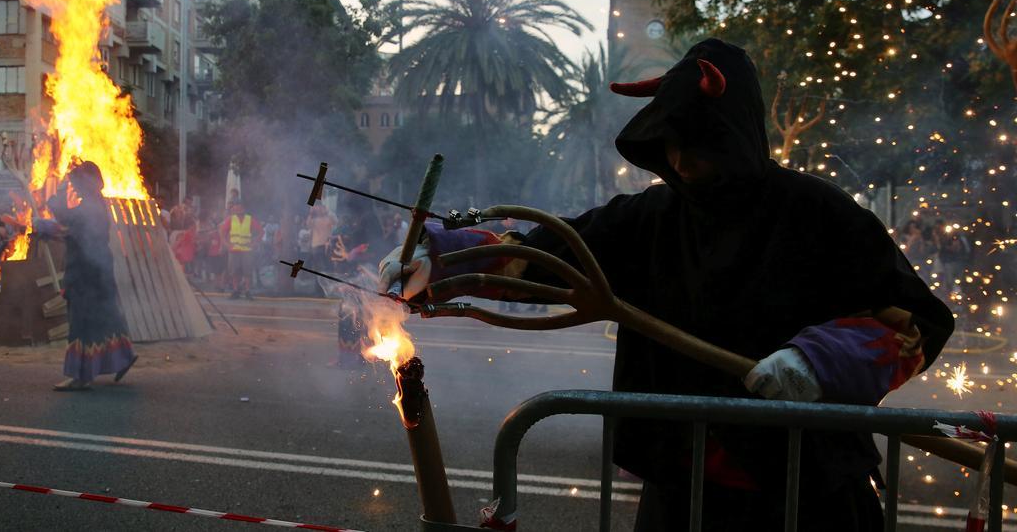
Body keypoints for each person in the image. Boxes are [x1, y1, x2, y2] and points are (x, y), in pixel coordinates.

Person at [380, 39, 954, 531]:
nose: (679, 160)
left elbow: (915, 320)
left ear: (735, 133)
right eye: (669, 142)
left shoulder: (820, 214)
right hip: (680, 486)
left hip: (807, 491)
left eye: (697, 141)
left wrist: (820, 362)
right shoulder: (650, 217)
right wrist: (441, 262)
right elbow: (549, 258)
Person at [46, 161, 137, 391]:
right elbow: (72, 229)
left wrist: (57, 193)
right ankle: (124, 357)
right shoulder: (97, 205)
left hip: (85, 274)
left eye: (76, 183)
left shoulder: (89, 208)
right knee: (106, 317)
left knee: (82, 324)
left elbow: (64, 219)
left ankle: (80, 375)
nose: (74, 188)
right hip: (100, 270)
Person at [221, 200, 262, 299]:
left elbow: (261, 231)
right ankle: (236, 290)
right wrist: (226, 244)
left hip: (247, 250)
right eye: (236, 208)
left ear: (244, 208)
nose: (237, 210)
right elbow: (222, 232)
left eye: (239, 208)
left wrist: (254, 242)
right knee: (234, 271)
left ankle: (247, 291)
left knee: (247, 271)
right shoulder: (230, 219)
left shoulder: (250, 219)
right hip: (234, 249)